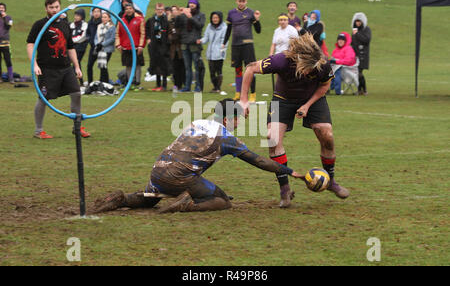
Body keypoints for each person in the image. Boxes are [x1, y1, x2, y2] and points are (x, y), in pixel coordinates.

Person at [93, 99, 306, 214]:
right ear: (227, 118)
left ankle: (123, 198)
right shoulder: (226, 137)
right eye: (237, 118)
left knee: (151, 200)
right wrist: (290, 172)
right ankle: (187, 204)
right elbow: (258, 160)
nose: (239, 123)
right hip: (179, 176)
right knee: (222, 201)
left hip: (158, 170)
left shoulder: (196, 123)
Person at [240, 33, 350, 208]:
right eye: (307, 68)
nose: (309, 71)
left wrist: (307, 105)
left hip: (313, 99)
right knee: (272, 138)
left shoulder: (321, 62)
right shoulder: (281, 60)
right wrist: (244, 100)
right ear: (298, 59)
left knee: (326, 134)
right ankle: (285, 190)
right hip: (283, 99)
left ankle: (331, 182)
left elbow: (324, 85)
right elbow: (250, 68)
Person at [26, 0, 90, 139]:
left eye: (56, 7)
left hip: (66, 68)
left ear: (60, 7)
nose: (54, 10)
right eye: (51, 7)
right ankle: (38, 131)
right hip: (47, 69)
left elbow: (70, 47)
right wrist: (34, 64)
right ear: (46, 8)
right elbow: (30, 44)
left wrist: (77, 66)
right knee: (44, 98)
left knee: (76, 94)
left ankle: (77, 127)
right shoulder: (39, 25)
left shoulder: (65, 24)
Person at [223, 0, 261, 102]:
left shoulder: (250, 13)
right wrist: (224, 42)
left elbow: (258, 31)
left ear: (246, 1)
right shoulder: (231, 13)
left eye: (243, 1)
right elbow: (228, 30)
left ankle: (252, 94)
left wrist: (257, 20)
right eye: (239, 1)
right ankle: (238, 93)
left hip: (248, 45)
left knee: (251, 69)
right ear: (236, 1)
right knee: (238, 69)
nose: (241, 3)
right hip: (235, 45)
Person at [176, 0, 205, 93]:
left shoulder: (201, 15)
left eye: (193, 3)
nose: (191, 5)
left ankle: (198, 86)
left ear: (197, 5)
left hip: (195, 44)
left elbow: (200, 25)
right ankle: (187, 86)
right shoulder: (183, 15)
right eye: (190, 3)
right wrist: (179, 15)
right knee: (187, 67)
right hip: (185, 43)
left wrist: (190, 17)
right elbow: (177, 25)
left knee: (197, 67)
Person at [115, 3, 146, 89]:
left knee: (137, 64)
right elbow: (117, 34)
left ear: (133, 10)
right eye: (127, 9)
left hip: (136, 46)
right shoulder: (121, 21)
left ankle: (137, 82)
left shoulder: (139, 19)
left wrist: (141, 46)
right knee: (128, 65)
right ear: (125, 11)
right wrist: (118, 45)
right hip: (125, 47)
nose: (128, 10)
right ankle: (130, 82)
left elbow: (143, 34)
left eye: (130, 8)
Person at [197, 11, 228, 93]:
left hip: (219, 53)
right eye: (213, 18)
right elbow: (206, 37)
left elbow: (224, 40)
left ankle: (218, 87)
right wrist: (201, 41)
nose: (215, 19)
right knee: (211, 71)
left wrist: (222, 47)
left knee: (218, 70)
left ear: (220, 18)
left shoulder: (224, 27)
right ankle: (215, 87)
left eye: (216, 18)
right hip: (210, 53)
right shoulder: (209, 26)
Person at [146, 3, 171, 92]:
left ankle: (164, 85)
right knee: (155, 65)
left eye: (161, 9)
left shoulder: (166, 20)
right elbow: (147, 29)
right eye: (158, 9)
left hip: (163, 46)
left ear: (163, 10)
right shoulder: (152, 20)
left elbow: (169, 32)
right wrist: (148, 38)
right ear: (155, 10)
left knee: (163, 65)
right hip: (154, 46)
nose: (159, 11)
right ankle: (157, 84)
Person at [351, 12, 371, 96]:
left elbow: (366, 40)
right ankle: (360, 90)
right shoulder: (354, 29)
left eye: (359, 21)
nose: (358, 23)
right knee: (356, 72)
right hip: (355, 55)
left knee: (359, 72)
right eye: (356, 21)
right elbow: (353, 42)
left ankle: (364, 89)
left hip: (363, 55)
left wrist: (357, 34)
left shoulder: (366, 29)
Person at [94, 12, 116, 83]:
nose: (103, 19)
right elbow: (96, 37)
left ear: (109, 18)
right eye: (102, 17)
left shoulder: (112, 27)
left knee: (104, 66)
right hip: (99, 49)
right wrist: (97, 44)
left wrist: (102, 44)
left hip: (107, 49)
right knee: (101, 66)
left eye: (105, 17)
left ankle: (105, 81)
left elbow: (112, 39)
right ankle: (102, 80)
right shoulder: (99, 26)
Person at [168, 5, 185, 91]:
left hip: (181, 48)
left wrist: (175, 36)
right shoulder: (170, 22)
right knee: (175, 68)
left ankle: (182, 84)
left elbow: (181, 33)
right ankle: (176, 85)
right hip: (173, 49)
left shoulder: (182, 21)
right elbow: (169, 34)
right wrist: (171, 37)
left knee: (182, 67)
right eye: (172, 10)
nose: (174, 12)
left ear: (178, 11)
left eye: (175, 10)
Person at [70, 9, 88, 86]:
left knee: (75, 63)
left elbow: (83, 36)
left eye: (78, 15)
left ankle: (72, 81)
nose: (76, 17)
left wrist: (73, 40)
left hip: (80, 47)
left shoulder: (84, 25)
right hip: (72, 47)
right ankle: (80, 81)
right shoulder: (72, 25)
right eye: (75, 15)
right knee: (76, 63)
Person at [86, 7, 102, 84]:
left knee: (102, 66)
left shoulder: (102, 22)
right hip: (93, 47)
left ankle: (103, 82)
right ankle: (90, 82)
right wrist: (90, 40)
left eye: (98, 11)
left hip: (101, 47)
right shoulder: (90, 22)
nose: (96, 13)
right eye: (95, 11)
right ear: (92, 13)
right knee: (89, 65)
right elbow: (87, 33)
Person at [0, 2, 14, 84]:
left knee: (8, 60)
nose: (1, 9)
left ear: (5, 9)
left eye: (2, 8)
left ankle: (11, 77)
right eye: (0, 8)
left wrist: (4, 17)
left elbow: (8, 26)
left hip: (5, 43)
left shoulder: (8, 18)